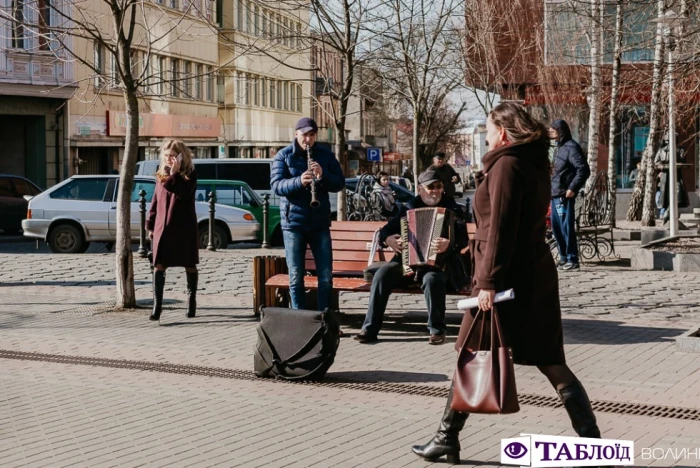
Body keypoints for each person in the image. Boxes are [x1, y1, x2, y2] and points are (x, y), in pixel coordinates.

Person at [411, 102, 601, 464]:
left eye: (487, 128)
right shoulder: (531, 161)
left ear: (502, 130)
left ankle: (446, 438)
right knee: (548, 360)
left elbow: (499, 228)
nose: (485, 134)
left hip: (504, 281)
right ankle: (593, 443)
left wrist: (488, 283)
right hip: (531, 275)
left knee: (470, 354)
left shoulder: (506, 165)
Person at [354, 169, 469, 345]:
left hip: (440, 264)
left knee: (432, 279)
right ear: (420, 189)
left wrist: (450, 244)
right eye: (431, 187)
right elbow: (386, 230)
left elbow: (463, 240)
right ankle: (369, 329)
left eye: (438, 187)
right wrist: (388, 239)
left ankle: (437, 331)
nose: (435, 191)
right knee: (382, 274)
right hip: (407, 264)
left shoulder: (452, 208)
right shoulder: (409, 207)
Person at [270, 117, 345, 311]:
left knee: (326, 275)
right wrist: (298, 181)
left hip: (319, 222)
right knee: (296, 276)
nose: (308, 139)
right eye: (304, 135)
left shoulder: (325, 155)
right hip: (293, 224)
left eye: (312, 135)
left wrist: (323, 176)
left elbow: (339, 183)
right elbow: (276, 185)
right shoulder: (283, 156)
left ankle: (325, 319)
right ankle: (300, 321)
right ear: (296, 135)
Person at [146, 139, 200, 321]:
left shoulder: (190, 175)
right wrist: (150, 225)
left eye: (173, 156)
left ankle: (191, 301)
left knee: (189, 264)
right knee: (159, 265)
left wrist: (175, 174)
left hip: (184, 228)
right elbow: (155, 201)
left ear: (181, 156)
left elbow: (183, 193)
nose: (169, 159)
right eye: (166, 155)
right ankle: (157, 307)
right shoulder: (161, 174)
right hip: (163, 228)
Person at [549, 119, 590, 271]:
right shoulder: (559, 148)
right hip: (555, 194)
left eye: (553, 131)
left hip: (564, 195)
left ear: (561, 131)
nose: (550, 133)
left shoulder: (571, 148)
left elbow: (583, 170)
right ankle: (564, 256)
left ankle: (572, 259)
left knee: (566, 228)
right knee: (557, 228)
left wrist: (572, 188)